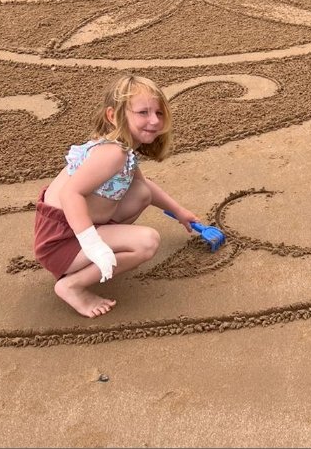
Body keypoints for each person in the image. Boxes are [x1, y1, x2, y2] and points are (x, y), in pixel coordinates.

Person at [33, 74, 200, 317]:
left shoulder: (122, 150)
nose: (154, 120)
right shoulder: (113, 153)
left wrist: (179, 211)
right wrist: (94, 247)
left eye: (159, 113)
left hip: (70, 230)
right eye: (143, 112)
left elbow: (145, 187)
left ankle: (93, 255)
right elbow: (71, 193)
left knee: (140, 192)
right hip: (60, 242)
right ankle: (72, 285)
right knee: (147, 242)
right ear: (113, 116)